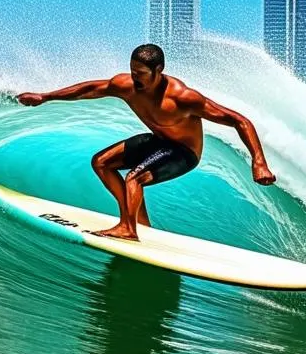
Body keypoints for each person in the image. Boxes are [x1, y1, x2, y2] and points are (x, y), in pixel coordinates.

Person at [16, 43, 275, 241]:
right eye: (132, 71)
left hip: (183, 153)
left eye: (140, 73)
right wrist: (45, 96)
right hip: (158, 141)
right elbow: (89, 90)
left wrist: (258, 162)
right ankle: (137, 221)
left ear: (158, 71)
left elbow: (239, 120)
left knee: (134, 177)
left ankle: (128, 228)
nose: (134, 77)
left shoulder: (183, 98)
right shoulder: (126, 85)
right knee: (102, 163)